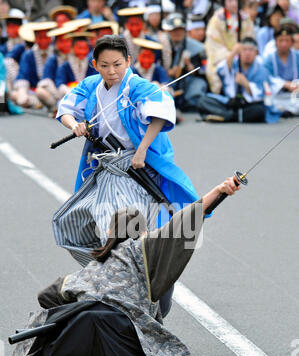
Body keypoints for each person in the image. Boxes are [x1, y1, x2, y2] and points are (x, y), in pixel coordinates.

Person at [8, 178, 240, 356]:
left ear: (109, 232)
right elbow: (181, 224)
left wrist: (77, 308)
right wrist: (218, 191)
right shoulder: (142, 250)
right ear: (142, 232)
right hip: (126, 334)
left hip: (82, 335)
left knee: (58, 327)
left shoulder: (90, 270)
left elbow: (46, 295)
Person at [52, 35, 200, 269]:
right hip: (105, 166)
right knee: (77, 218)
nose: (111, 71)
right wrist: (75, 126)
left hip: (136, 166)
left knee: (130, 221)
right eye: (104, 65)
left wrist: (141, 150)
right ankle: (107, 268)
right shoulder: (91, 86)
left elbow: (160, 114)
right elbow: (66, 108)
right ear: (94, 65)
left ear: (128, 61)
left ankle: (137, 267)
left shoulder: (138, 87)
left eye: (117, 64)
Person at [197, 37, 280, 122]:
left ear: (256, 52)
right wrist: (233, 52)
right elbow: (221, 71)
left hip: (248, 105)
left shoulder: (261, 70)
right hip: (231, 102)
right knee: (203, 100)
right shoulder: (234, 63)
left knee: (260, 110)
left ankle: (227, 116)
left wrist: (246, 85)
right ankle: (230, 116)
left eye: (251, 50)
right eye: (244, 50)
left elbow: (261, 94)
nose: (247, 53)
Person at [205, 0, 255, 94]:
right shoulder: (216, 20)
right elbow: (214, 46)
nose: (234, 4)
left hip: (243, 56)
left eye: (236, 1)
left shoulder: (246, 18)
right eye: (230, 1)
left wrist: (243, 51)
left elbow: (250, 40)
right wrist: (232, 54)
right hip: (222, 57)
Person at [162, 12, 208, 111]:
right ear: (169, 31)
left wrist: (191, 67)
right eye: (174, 30)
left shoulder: (197, 47)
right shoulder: (162, 45)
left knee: (199, 85)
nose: (177, 33)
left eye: (180, 30)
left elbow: (203, 70)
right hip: (168, 79)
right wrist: (167, 71)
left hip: (188, 80)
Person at [10, 21, 57, 109]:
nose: (43, 41)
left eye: (46, 37)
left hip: (51, 91)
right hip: (32, 91)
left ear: (51, 38)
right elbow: (23, 76)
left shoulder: (55, 53)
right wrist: (23, 92)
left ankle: (52, 105)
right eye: (40, 37)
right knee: (16, 95)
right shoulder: (28, 55)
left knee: (42, 93)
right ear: (35, 38)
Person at [263, 26, 299, 115]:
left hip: (295, 94)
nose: (284, 44)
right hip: (276, 95)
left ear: (291, 42)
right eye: (281, 40)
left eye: (287, 40)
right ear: (275, 42)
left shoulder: (297, 56)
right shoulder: (269, 59)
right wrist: (284, 84)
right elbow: (266, 78)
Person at [55, 32, 98, 99]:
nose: (82, 51)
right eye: (79, 48)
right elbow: (60, 84)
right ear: (72, 48)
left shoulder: (91, 65)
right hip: (69, 95)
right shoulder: (65, 66)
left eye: (85, 48)